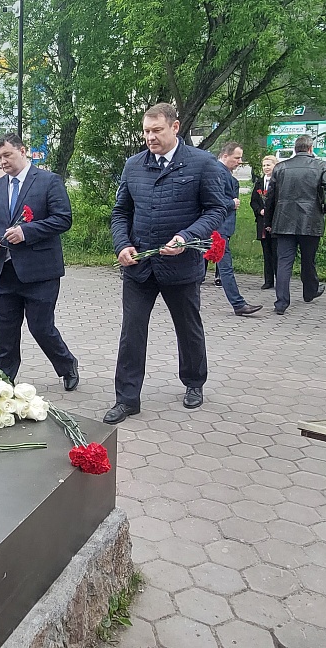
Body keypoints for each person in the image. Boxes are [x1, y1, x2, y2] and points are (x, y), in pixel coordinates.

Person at [103, 103, 228, 425]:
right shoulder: (134, 166)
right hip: (139, 267)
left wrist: (187, 237)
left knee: (188, 328)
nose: (150, 137)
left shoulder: (202, 164)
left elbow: (216, 210)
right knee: (131, 333)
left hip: (180, 265)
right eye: (146, 131)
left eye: (156, 130)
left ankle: (194, 381)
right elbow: (121, 213)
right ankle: (127, 399)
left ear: (175, 127)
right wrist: (122, 244)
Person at [0, 133, 78, 389]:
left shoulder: (48, 181)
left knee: (41, 328)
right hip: (4, 273)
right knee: (4, 332)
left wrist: (27, 232)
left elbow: (63, 219)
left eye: (7, 155)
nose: (2, 161)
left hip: (40, 273)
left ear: (23, 151)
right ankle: (4, 380)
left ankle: (67, 365)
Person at [263, 134, 326, 315]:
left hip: (283, 221)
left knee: (283, 262)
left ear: (295, 149)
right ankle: (309, 291)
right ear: (311, 149)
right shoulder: (321, 165)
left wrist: (269, 221)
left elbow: (270, 197)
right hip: (311, 220)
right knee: (308, 259)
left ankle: (281, 303)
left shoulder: (280, 167)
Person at [215, 143, 262, 316]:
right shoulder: (219, 173)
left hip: (220, 227)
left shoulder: (223, 172)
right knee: (225, 267)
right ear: (225, 156)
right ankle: (238, 304)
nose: (240, 161)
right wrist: (231, 203)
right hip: (217, 228)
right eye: (237, 157)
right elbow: (213, 200)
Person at [250, 155, 278, 289]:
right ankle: (268, 281)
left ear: (275, 166)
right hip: (262, 222)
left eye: (269, 165)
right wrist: (260, 210)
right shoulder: (259, 183)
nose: (266, 168)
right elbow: (253, 201)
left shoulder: (278, 182)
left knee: (276, 252)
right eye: (264, 165)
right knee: (266, 253)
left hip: (275, 222)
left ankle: (280, 280)